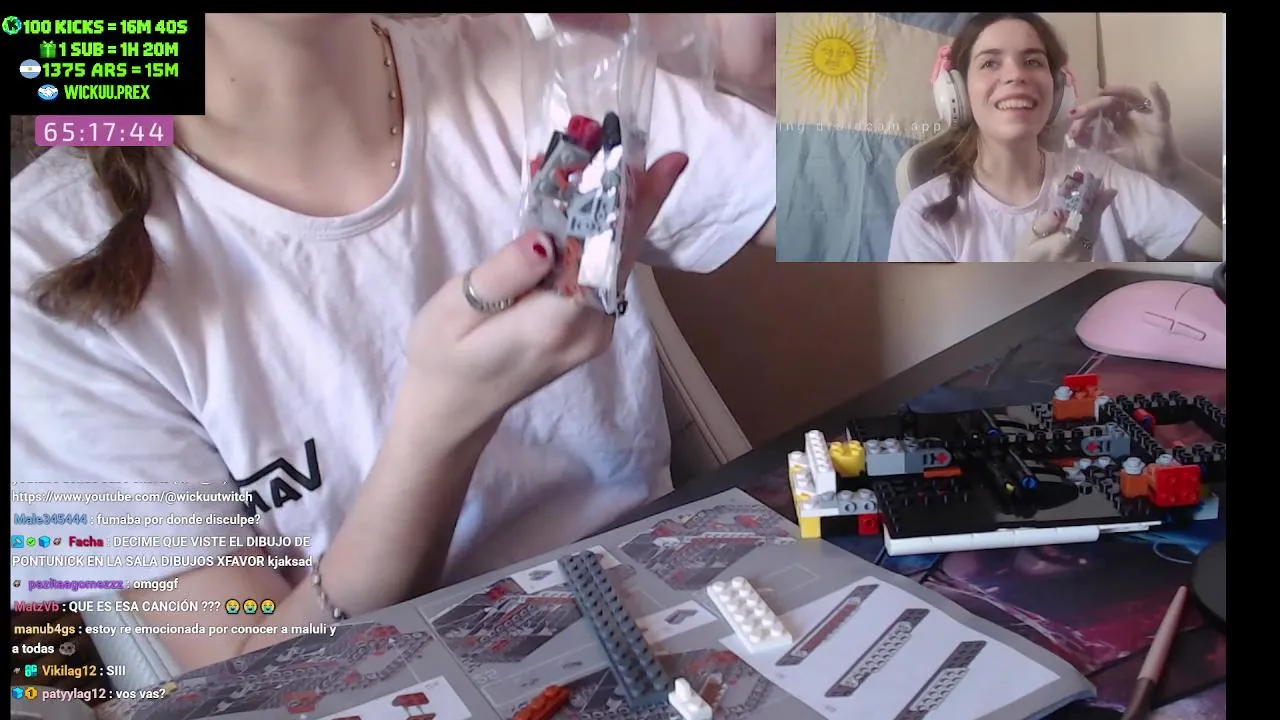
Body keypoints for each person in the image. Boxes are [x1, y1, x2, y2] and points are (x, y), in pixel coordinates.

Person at [10, 13, 776, 671]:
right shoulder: (41, 267)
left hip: (675, 625)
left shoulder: (534, 58)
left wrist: (770, 59)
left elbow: (848, 198)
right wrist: (442, 428)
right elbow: (252, 679)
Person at [888, 12, 1222, 262]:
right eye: (990, 63)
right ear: (958, 92)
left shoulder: (1100, 174)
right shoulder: (922, 216)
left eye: (1032, 61)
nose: (1016, 75)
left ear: (1059, 91)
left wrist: (1175, 171)